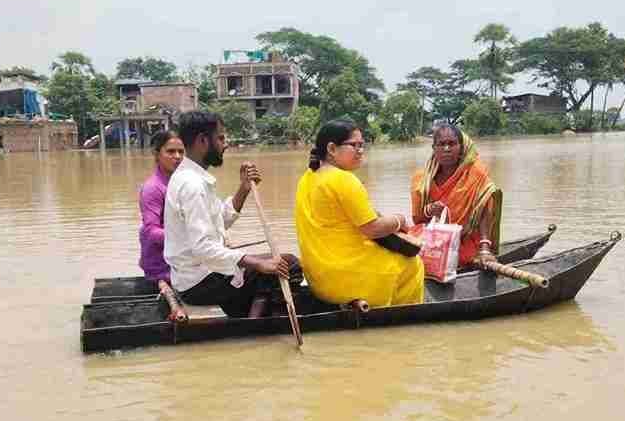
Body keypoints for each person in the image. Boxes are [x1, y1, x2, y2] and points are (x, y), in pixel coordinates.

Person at [163, 110, 299, 318]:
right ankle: (257, 326)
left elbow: (221, 220)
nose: (225, 144)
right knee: (289, 264)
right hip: (200, 282)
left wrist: (244, 188)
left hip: (197, 275)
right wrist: (257, 263)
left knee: (275, 263)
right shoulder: (192, 185)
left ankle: (250, 312)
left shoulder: (192, 178)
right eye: (220, 138)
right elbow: (203, 248)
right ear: (202, 141)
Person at [294, 120, 424, 307]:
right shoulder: (344, 179)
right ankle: (401, 316)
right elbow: (372, 229)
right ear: (331, 148)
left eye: (362, 145)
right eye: (354, 145)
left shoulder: (308, 177)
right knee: (412, 263)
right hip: (347, 278)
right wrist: (399, 219)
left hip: (318, 279)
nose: (360, 150)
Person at [409, 124, 502, 266]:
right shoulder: (421, 179)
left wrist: (484, 249)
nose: (447, 149)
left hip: (463, 239)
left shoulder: (476, 174)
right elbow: (418, 219)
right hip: (432, 238)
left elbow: (484, 210)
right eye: (441, 144)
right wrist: (429, 210)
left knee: (461, 257)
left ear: (461, 148)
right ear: (434, 149)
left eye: (452, 144)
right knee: (407, 245)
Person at [138, 130, 184, 286]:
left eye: (181, 152)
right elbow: (152, 233)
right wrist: (190, 237)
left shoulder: (181, 183)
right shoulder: (153, 188)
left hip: (181, 260)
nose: (177, 157)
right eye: (171, 151)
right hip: (162, 268)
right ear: (157, 154)